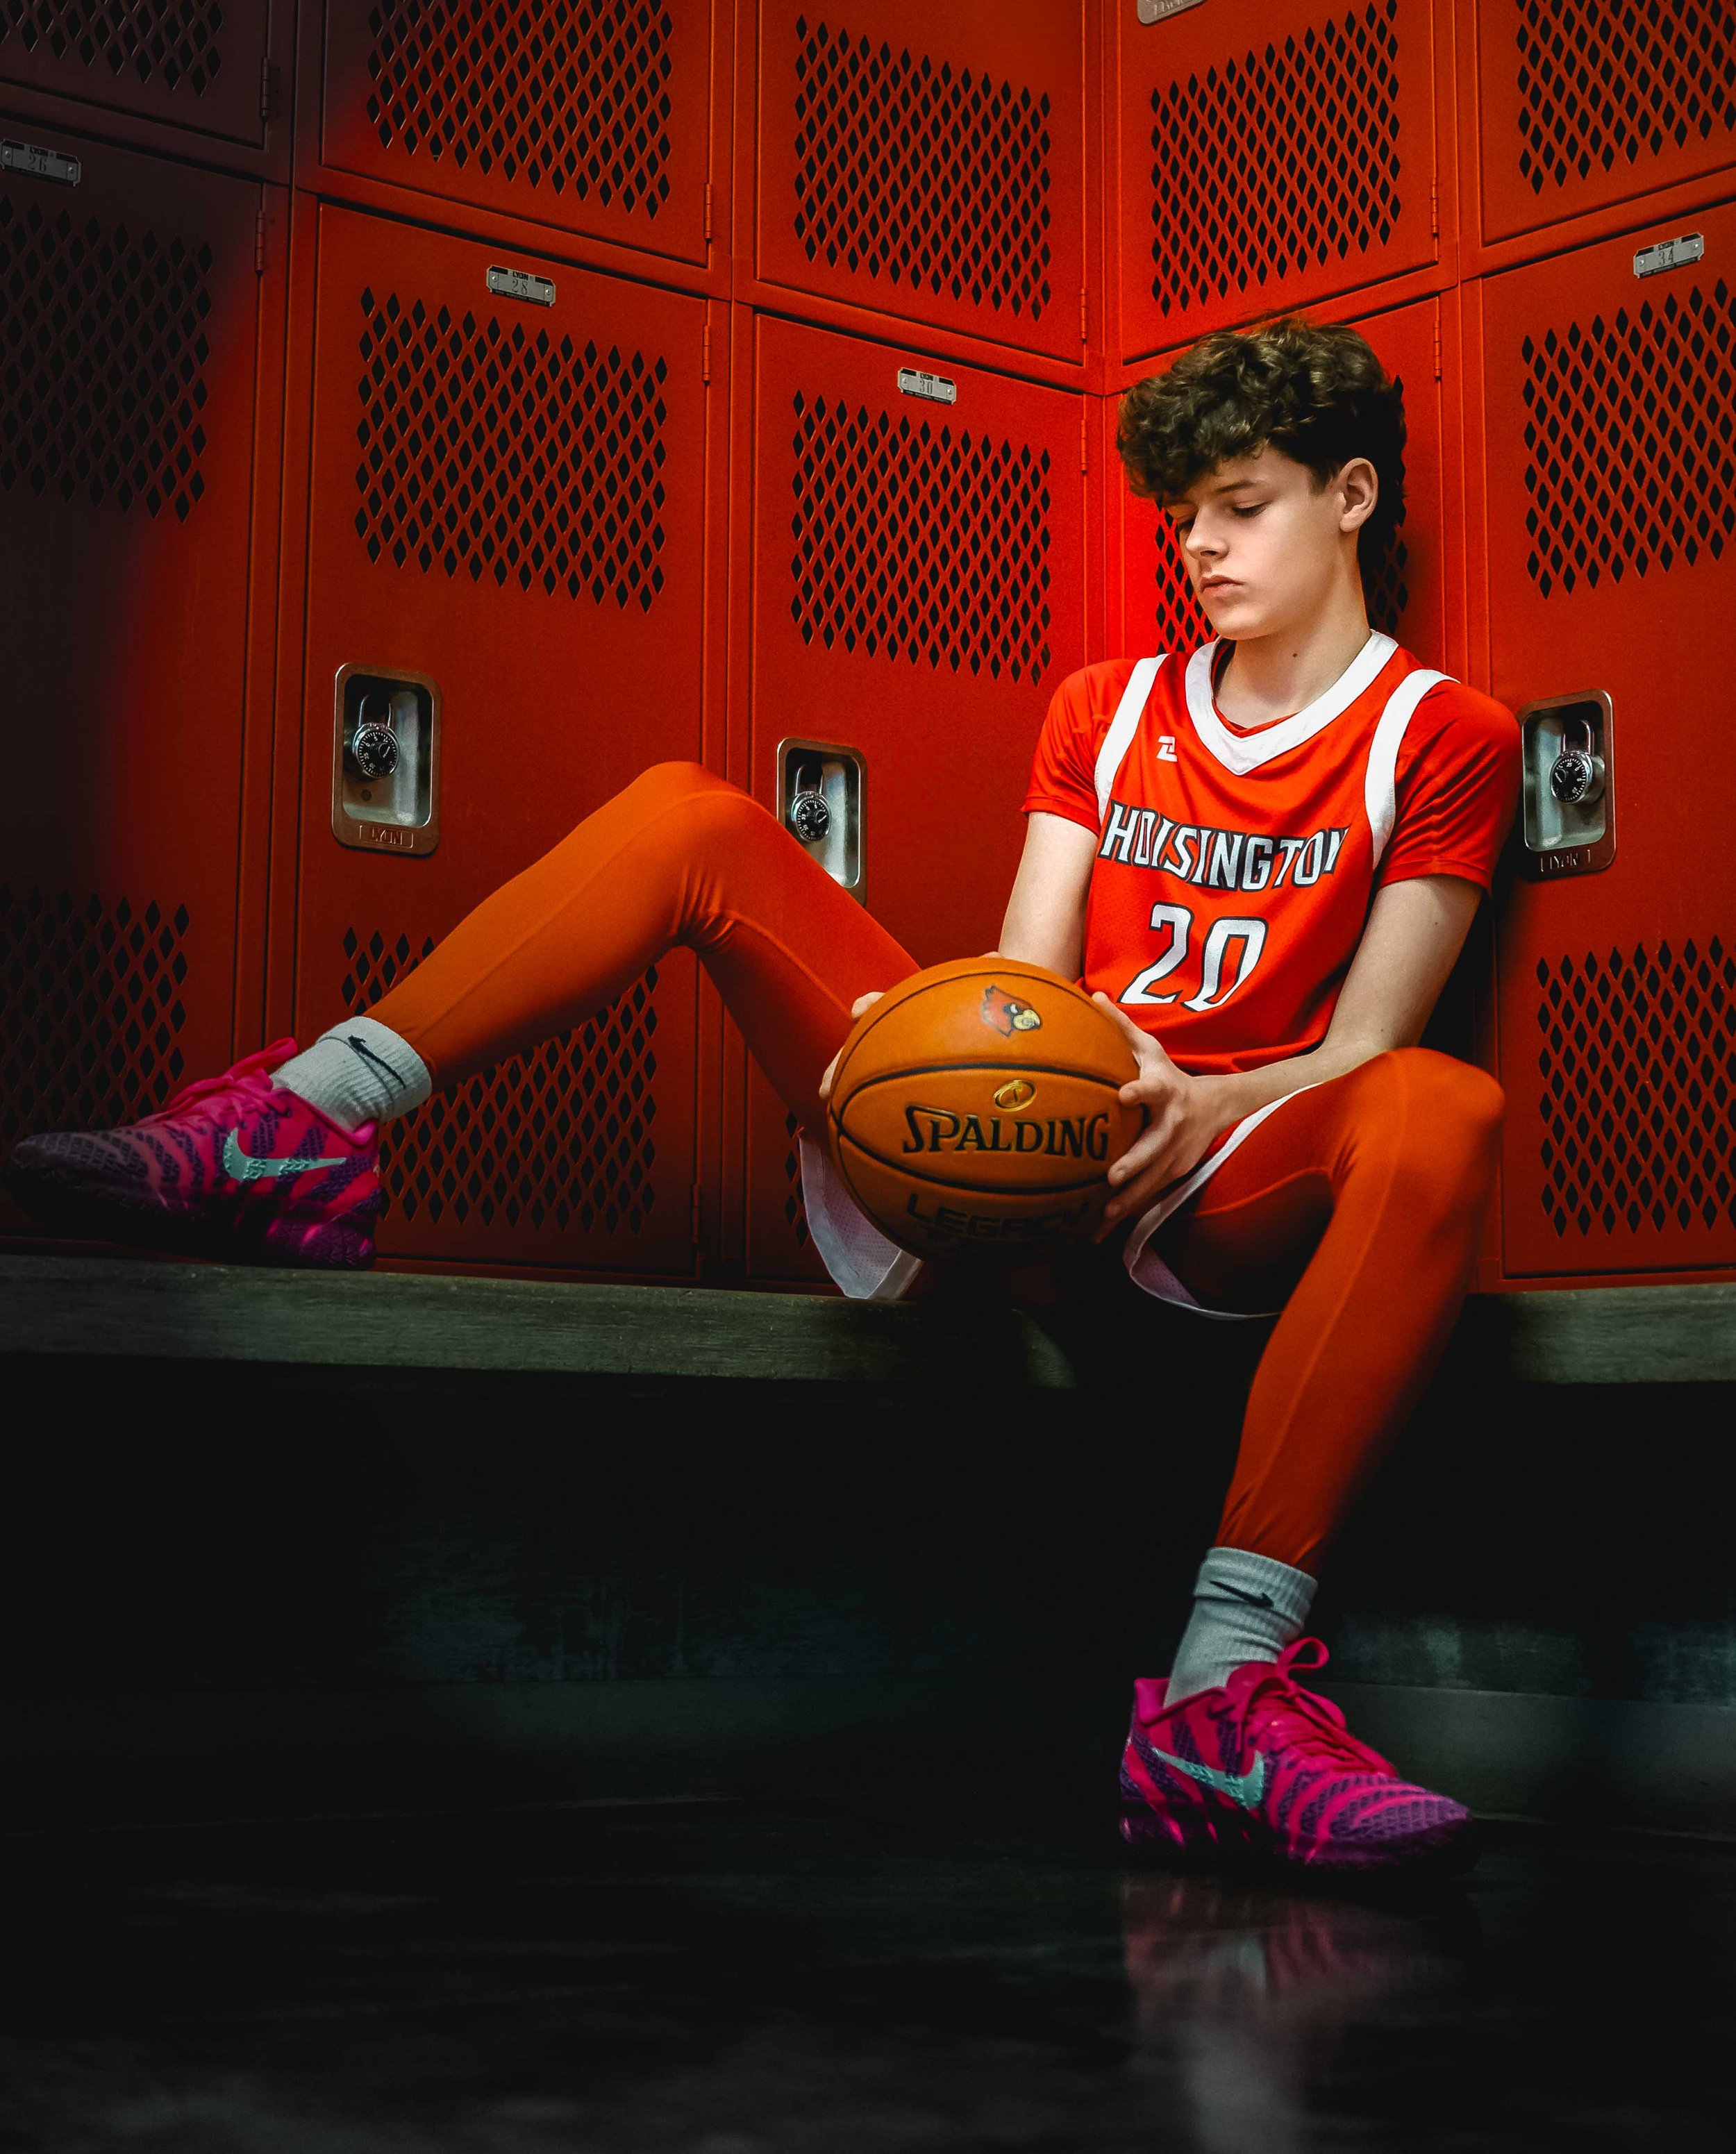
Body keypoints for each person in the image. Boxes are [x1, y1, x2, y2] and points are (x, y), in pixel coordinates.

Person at [4, 318, 1518, 1876]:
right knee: (691, 818)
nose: (1197, 542)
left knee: (1438, 1107)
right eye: (1179, 511)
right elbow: (1026, 981)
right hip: (1035, 1143)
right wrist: (930, 1034)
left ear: (1347, 497)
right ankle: (303, 1123)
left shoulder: (1440, 734)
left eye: (1240, 502)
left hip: (1215, 1183)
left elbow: (1366, 1044)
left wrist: (1200, 1104)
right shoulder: (1105, 707)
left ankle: (1218, 1698)